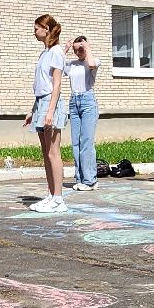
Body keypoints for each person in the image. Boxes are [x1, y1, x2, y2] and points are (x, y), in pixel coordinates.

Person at [25, 14, 70, 212]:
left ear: (47, 29)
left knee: (53, 152)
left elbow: (56, 83)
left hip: (52, 104)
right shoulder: (46, 52)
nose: (34, 32)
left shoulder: (57, 51)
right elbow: (41, 84)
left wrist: (50, 111)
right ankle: (51, 195)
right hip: (41, 103)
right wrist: (33, 110)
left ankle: (59, 200)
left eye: (37, 28)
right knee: (45, 153)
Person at [65, 33, 100, 192]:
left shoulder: (92, 61)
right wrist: (65, 48)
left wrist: (86, 47)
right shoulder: (71, 64)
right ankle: (80, 179)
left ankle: (91, 180)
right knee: (76, 142)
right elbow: (56, 67)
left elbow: (91, 65)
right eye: (76, 50)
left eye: (80, 49)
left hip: (87, 101)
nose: (78, 53)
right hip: (74, 101)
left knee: (86, 141)